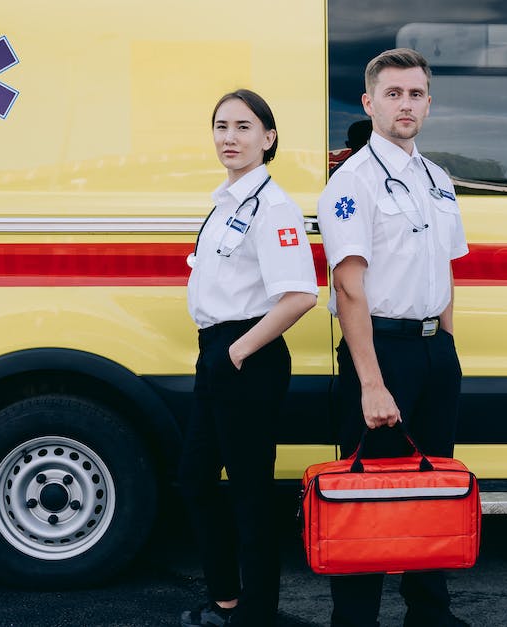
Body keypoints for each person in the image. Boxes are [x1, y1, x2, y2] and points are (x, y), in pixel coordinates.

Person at [316, 49, 470, 627]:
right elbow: (349, 288)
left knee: (432, 489)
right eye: (393, 94)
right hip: (381, 356)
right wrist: (372, 384)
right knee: (367, 496)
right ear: (369, 102)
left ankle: (429, 614)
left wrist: (447, 346)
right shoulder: (351, 183)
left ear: (428, 103)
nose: (404, 104)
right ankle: (355, 620)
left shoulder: (438, 180)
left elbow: (446, 270)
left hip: (434, 352)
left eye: (415, 94)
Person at [179, 89, 318, 627]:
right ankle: (228, 600)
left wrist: (237, 350)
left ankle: (254, 611)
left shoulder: (273, 206)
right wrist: (220, 352)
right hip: (217, 352)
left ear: (269, 137)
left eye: (242, 127)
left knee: (249, 490)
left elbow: (301, 295)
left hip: (247, 354)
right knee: (194, 478)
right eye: (221, 127)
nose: (229, 137)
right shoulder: (225, 201)